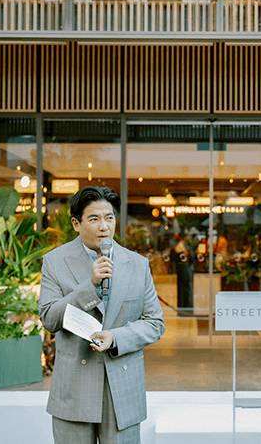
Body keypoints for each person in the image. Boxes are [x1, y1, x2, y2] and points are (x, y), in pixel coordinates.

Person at [39, 186, 165, 444]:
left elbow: (155, 323)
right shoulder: (54, 261)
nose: (104, 226)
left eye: (109, 218)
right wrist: (90, 285)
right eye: (94, 219)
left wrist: (115, 337)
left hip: (122, 388)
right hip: (74, 388)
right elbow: (49, 318)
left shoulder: (137, 264)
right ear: (76, 223)